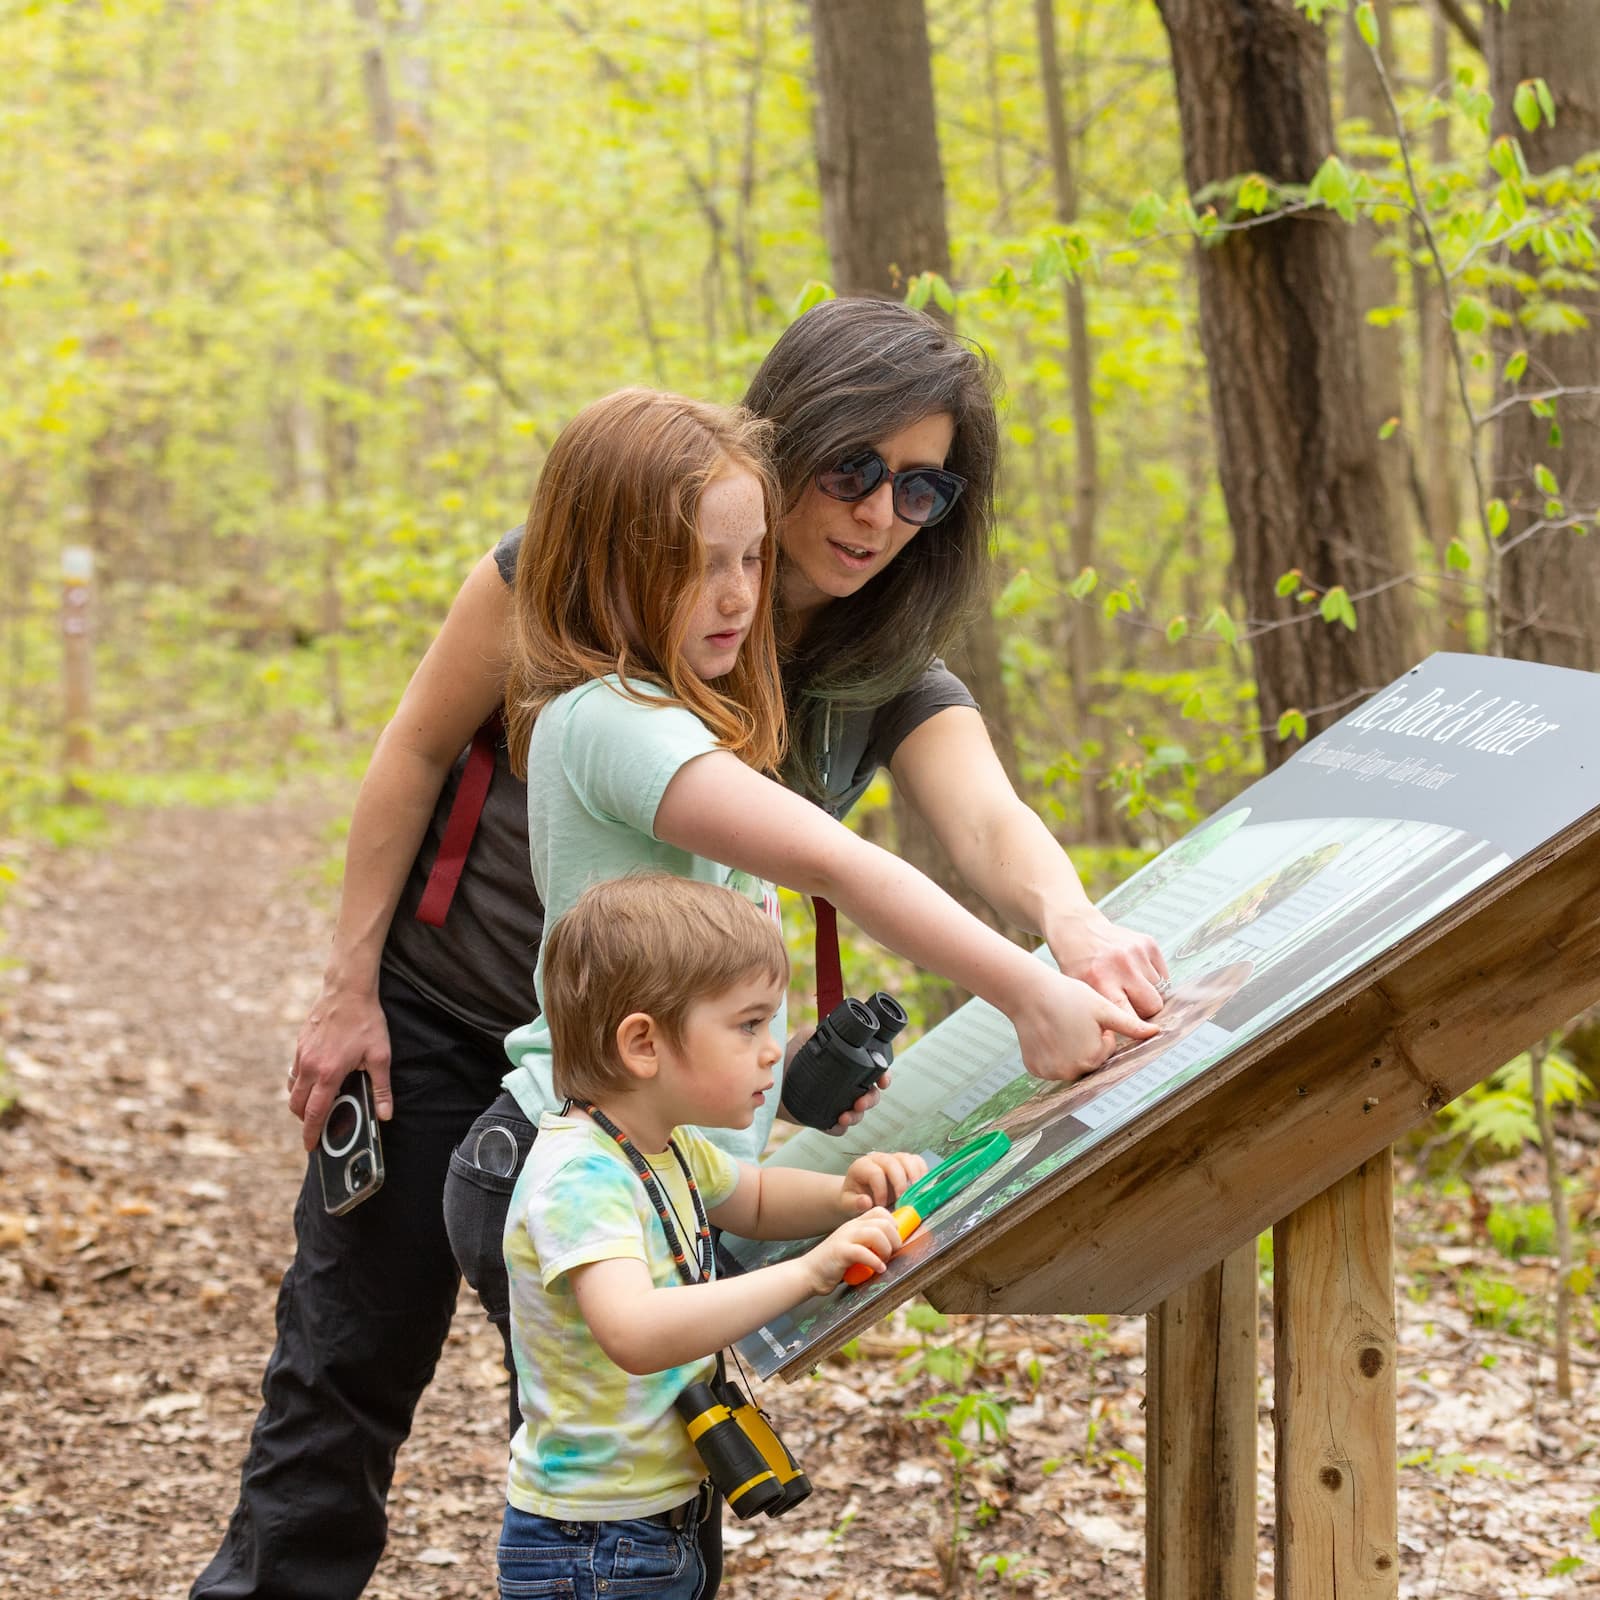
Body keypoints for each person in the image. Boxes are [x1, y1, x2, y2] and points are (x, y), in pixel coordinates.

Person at [191, 299, 1166, 1600]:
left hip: (645, 1106)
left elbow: (987, 817)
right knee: (344, 1386)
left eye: (922, 488)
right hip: (448, 1022)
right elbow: (418, 745)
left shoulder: (879, 666)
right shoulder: (601, 578)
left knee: (636, 1449)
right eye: (853, 468)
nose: (878, 514)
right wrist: (346, 988)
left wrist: (1075, 923)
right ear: (785, 440)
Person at [498, 872, 923, 1600]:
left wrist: (843, 1195)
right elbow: (634, 1331)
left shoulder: (663, 1144)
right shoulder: (582, 1177)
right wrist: (806, 1273)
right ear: (644, 1044)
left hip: (652, 1523)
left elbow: (752, 1199)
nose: (771, 1051)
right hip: (594, 1548)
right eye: (748, 1024)